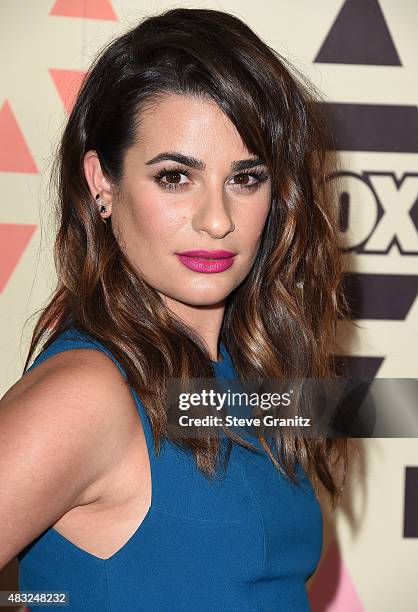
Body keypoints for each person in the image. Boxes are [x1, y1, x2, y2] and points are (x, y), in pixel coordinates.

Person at [0, 7, 350, 611]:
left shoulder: (244, 375)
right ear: (101, 184)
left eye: (245, 178)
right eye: (173, 178)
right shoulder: (87, 393)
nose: (217, 220)